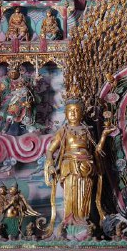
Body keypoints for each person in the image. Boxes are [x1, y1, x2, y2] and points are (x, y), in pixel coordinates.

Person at [45, 92, 113, 231]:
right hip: (69, 166)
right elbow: (50, 150)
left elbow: (96, 151)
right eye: (70, 110)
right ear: (65, 113)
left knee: (84, 196)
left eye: (77, 110)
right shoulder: (63, 131)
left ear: (82, 113)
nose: (73, 113)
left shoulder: (87, 131)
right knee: (71, 193)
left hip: (87, 166)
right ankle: (70, 221)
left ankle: (83, 219)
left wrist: (104, 136)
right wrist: (50, 164)